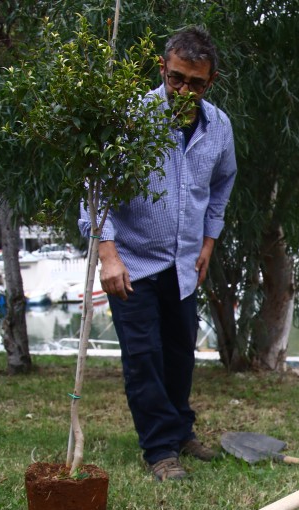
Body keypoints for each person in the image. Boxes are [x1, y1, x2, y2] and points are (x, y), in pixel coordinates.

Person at [79, 26, 237, 482]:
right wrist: (108, 256)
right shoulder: (130, 117)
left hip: (185, 262)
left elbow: (223, 183)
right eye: (176, 79)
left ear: (212, 81)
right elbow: (95, 190)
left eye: (195, 83)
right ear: (163, 70)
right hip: (132, 262)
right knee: (144, 356)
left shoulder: (219, 127)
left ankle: (181, 431)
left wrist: (208, 243)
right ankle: (160, 450)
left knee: (179, 353)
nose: (183, 90)